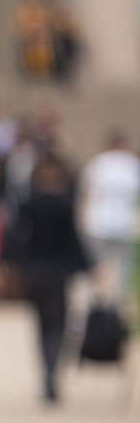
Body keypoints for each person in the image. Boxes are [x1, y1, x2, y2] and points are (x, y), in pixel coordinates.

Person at [10, 153, 91, 404]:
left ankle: (47, 372)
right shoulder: (63, 204)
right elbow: (73, 240)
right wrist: (87, 266)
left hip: (35, 272)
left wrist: (14, 264)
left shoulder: (28, 203)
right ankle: (52, 372)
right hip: (57, 273)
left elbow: (16, 239)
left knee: (42, 324)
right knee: (57, 324)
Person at [79, 129, 140, 316]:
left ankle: (99, 301)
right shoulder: (132, 164)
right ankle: (119, 306)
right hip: (124, 222)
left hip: (99, 222)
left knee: (98, 265)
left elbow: (86, 193)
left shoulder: (98, 163)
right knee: (122, 268)